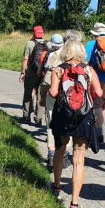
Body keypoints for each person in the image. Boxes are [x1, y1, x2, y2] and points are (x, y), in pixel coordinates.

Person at [49, 39, 103, 208]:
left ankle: (56, 188)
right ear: (81, 51)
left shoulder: (58, 69)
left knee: (60, 150)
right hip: (83, 116)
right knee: (79, 159)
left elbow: (54, 93)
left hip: (63, 116)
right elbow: (99, 93)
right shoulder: (89, 69)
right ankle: (74, 205)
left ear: (65, 51)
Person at [85, 22, 105, 144]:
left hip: (95, 78)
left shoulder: (91, 44)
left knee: (96, 105)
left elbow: (85, 61)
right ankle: (100, 127)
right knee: (103, 104)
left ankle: (98, 131)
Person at [39, 34, 64, 171]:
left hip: (52, 94)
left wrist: (42, 96)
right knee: (65, 125)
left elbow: (46, 79)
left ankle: (51, 154)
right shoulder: (71, 56)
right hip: (67, 97)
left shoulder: (52, 56)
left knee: (50, 123)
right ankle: (64, 154)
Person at [20, 26, 49, 123]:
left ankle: (26, 115)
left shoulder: (29, 43)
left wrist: (22, 72)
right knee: (40, 95)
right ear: (43, 34)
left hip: (31, 72)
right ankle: (38, 118)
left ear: (33, 33)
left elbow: (25, 59)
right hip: (42, 74)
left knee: (28, 93)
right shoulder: (48, 44)